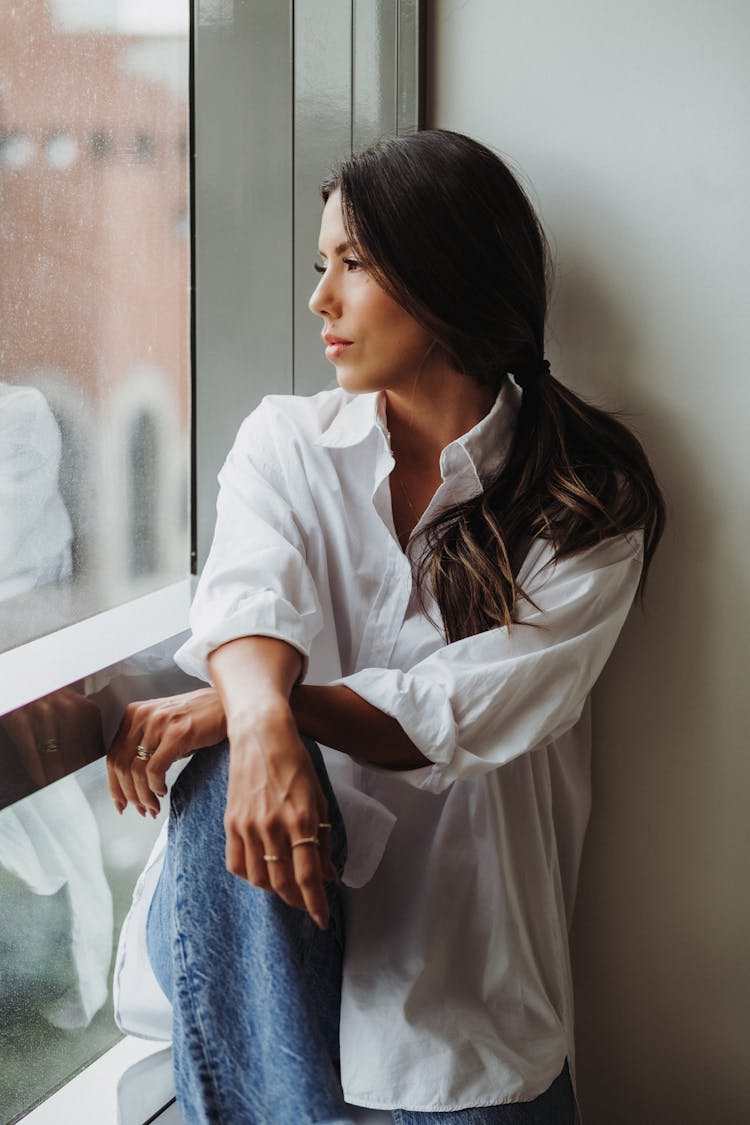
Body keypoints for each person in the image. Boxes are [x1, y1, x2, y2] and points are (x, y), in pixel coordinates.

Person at [108, 130, 665, 1124]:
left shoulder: (587, 495)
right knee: (218, 762)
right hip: (264, 1007)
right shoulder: (288, 440)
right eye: (323, 266)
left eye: (353, 266)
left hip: (460, 1026)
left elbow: (473, 707)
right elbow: (247, 595)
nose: (321, 299)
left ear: (445, 273)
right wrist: (258, 723)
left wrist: (266, 713)